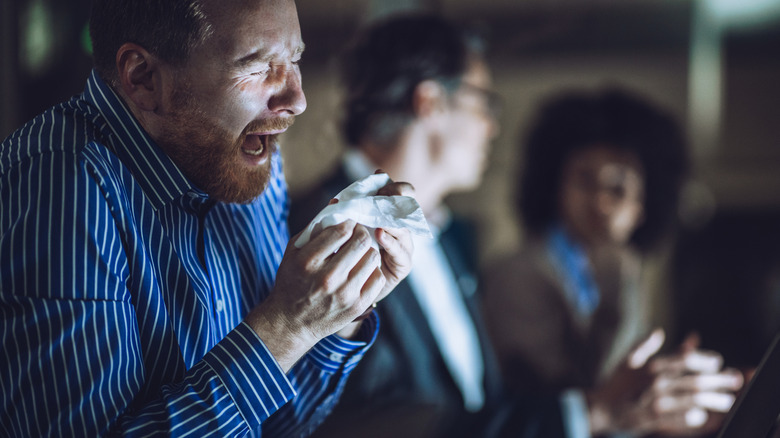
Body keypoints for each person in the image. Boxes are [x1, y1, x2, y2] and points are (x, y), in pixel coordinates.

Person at [0, 0, 415, 436]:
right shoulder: (60, 185)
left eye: (294, 60)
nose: (297, 100)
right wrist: (287, 327)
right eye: (258, 66)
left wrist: (341, 306)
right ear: (143, 78)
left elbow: (273, 426)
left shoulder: (248, 162)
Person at [481, 88, 744, 437]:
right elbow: (580, 402)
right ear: (555, 187)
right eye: (584, 181)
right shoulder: (520, 274)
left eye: (618, 189)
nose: (601, 201)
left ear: (642, 207)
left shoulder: (616, 272)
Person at [289, 12, 504, 438]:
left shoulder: (447, 234)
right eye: (484, 102)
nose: (492, 126)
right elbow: (355, 417)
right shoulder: (322, 226)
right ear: (430, 102)